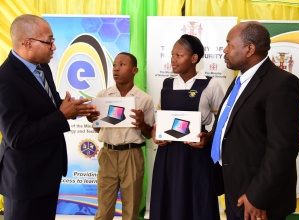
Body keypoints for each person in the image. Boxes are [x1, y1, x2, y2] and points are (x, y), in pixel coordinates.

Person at [0, 14, 96, 220]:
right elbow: (17, 137)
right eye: (49, 41)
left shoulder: (42, 67)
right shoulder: (6, 79)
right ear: (27, 43)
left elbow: (46, 106)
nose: (54, 47)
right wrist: (62, 115)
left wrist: (77, 110)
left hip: (47, 175)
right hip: (24, 181)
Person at [210, 21, 299, 220]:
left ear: (249, 49)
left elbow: (283, 149)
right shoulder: (239, 80)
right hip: (234, 189)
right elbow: (234, 128)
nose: (224, 50)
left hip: (257, 200)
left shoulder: (282, 84)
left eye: (230, 45)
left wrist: (257, 196)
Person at [149, 34, 224, 220]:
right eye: (172, 55)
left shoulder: (211, 84)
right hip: (168, 153)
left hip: (197, 154)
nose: (173, 60)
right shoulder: (167, 84)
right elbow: (160, 121)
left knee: (197, 201)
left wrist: (208, 137)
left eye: (179, 55)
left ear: (194, 58)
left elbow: (222, 121)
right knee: (168, 199)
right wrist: (155, 134)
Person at [86, 52, 155, 220]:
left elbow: (149, 134)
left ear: (134, 70)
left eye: (122, 65)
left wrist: (141, 124)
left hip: (132, 155)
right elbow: (99, 129)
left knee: (131, 210)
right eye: (115, 65)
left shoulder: (144, 99)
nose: (116, 69)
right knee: (104, 210)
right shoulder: (103, 96)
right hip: (108, 154)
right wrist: (93, 121)